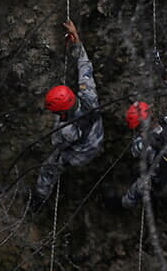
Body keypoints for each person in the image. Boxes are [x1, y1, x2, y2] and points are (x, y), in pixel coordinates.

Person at [35, 19, 104, 204]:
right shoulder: (89, 97)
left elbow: (57, 143)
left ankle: (39, 199)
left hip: (83, 151)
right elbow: (85, 66)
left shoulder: (66, 129)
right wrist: (76, 40)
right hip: (96, 134)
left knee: (48, 167)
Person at [122, 70, 167, 208]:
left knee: (139, 186)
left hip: (162, 180)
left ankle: (127, 202)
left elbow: (135, 151)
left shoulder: (143, 145)